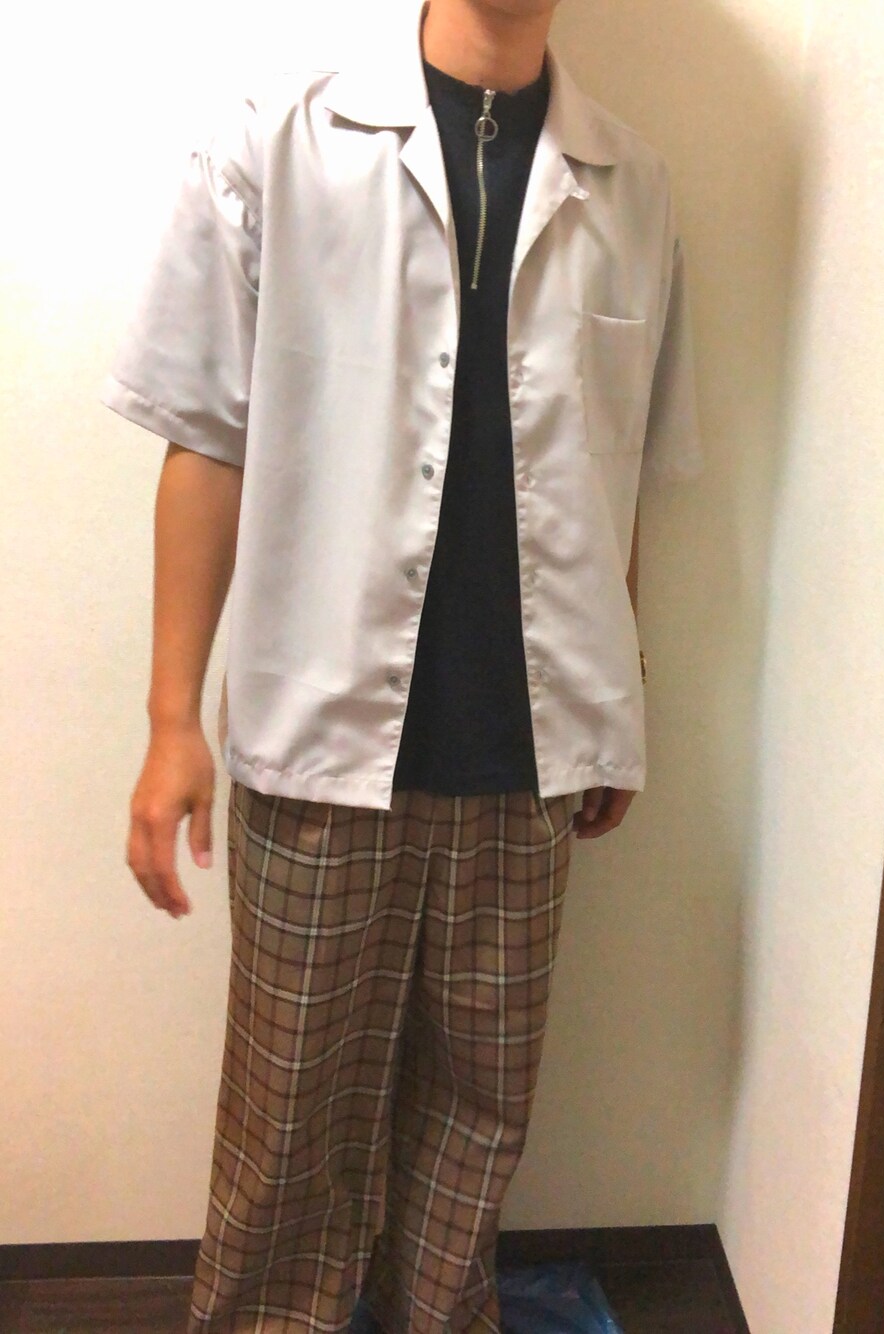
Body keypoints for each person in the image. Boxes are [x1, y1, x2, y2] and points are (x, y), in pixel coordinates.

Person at [102, 0, 703, 1327]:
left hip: (532, 751)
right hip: (324, 747)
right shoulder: (276, 141)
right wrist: (169, 717)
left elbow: (617, 479)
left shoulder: (634, 186)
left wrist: (621, 694)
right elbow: (205, 438)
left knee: (481, 1110)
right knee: (290, 1115)